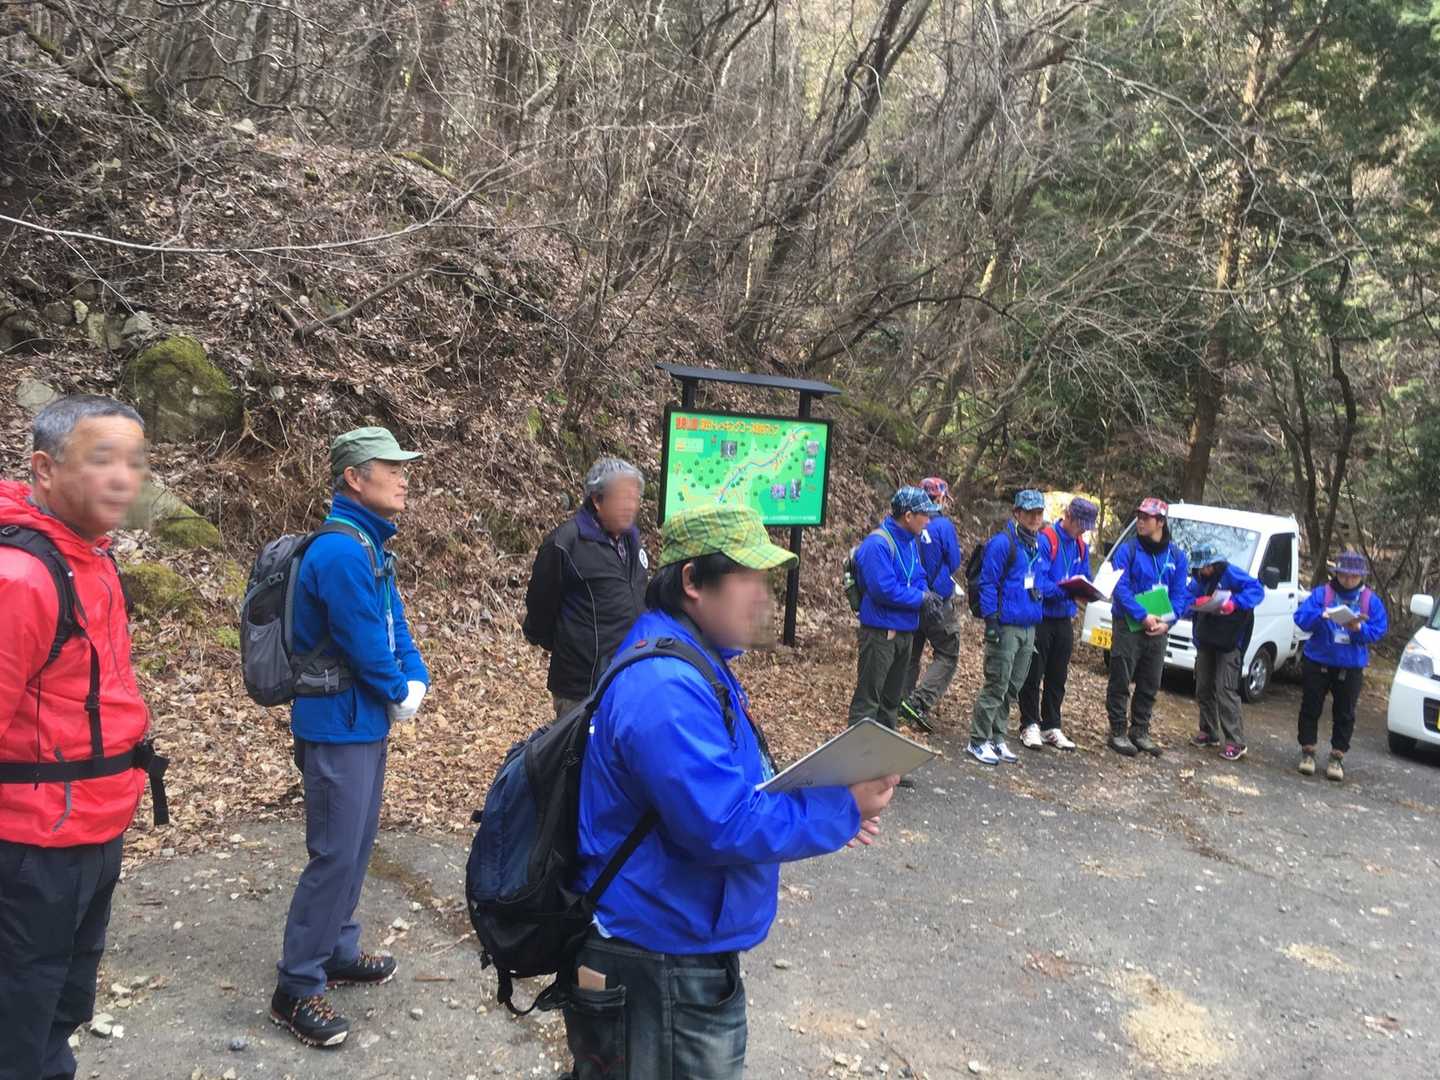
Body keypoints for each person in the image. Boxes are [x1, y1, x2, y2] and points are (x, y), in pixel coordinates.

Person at [563, 504, 900, 1080]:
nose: (763, 598)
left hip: (677, 942)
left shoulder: (693, 661)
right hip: (658, 957)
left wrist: (829, 802)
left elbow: (729, 786)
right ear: (693, 581)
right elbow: (721, 823)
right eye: (749, 578)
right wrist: (841, 809)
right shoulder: (666, 686)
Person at [0, 395, 166, 1080]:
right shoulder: (20, 577)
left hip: (94, 824)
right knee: (21, 1012)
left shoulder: (89, 558)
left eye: (135, 461)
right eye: (102, 460)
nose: (124, 478)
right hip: (34, 842)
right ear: (45, 469)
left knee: (64, 996)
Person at [271, 428, 431, 1048]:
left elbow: (394, 625)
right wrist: (396, 688)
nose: (403, 477)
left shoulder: (369, 544)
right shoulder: (341, 552)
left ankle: (336, 949)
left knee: (356, 845)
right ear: (354, 479)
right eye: (390, 467)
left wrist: (413, 677)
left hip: (361, 721)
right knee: (335, 852)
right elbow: (365, 640)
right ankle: (296, 985)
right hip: (337, 726)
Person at [524, 457, 649, 718]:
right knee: (580, 745)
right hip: (582, 686)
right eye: (622, 498)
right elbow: (540, 610)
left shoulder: (632, 540)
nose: (631, 506)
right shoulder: (565, 543)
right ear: (597, 500)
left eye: (635, 498)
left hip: (630, 678)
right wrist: (573, 646)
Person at [970, 489, 1058, 766]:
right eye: (1029, 513)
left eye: (1038, 513)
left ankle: (997, 737)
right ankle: (978, 740)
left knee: (1012, 687)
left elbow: (1040, 581)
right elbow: (988, 583)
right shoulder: (1002, 543)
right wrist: (991, 621)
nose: (1034, 518)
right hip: (1006, 625)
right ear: (1017, 513)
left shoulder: (1039, 544)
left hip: (1029, 625)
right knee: (996, 683)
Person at [848, 487, 941, 733]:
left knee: (891, 702)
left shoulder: (910, 542)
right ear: (908, 516)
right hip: (880, 633)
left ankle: (882, 753)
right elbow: (883, 589)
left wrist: (928, 596)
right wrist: (920, 598)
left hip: (905, 632)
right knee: (868, 700)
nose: (928, 520)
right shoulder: (877, 544)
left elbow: (918, 575)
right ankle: (858, 753)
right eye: (924, 514)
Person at [1105, 497, 1191, 758]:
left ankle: (1140, 730)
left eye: (1146, 518)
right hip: (1129, 624)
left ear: (1160, 522)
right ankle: (1117, 731)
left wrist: (1168, 622)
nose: (1140, 522)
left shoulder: (1177, 556)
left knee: (1150, 681)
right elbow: (1120, 587)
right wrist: (1142, 615)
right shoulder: (1128, 550)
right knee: (1121, 677)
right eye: (1139, 517)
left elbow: (1180, 595)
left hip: (1158, 628)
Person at [1292, 551, 1388, 782]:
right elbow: (1301, 618)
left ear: (1361, 576)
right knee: (1310, 707)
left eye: (1353, 576)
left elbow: (1378, 629)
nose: (1348, 580)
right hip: (1319, 660)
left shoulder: (1370, 600)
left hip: (1350, 664)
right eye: (1344, 575)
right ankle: (1308, 751)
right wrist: (1321, 615)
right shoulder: (1322, 594)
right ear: (1337, 573)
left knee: (1345, 713)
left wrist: (1359, 629)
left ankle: (1337, 756)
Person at [1018, 496, 1098, 751]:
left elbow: (1085, 575)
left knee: (1058, 675)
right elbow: (1038, 583)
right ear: (1069, 516)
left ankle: (1051, 724)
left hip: (1064, 617)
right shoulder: (1046, 540)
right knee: (1034, 672)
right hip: (1042, 616)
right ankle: (1029, 723)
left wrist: (1089, 590)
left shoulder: (1081, 546)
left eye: (1087, 527)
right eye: (1080, 525)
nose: (1083, 531)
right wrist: (1066, 591)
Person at [1186, 544, 1265, 761]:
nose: (1202, 571)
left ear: (1214, 564)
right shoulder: (1199, 580)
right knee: (1203, 686)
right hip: (1206, 638)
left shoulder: (1231, 573)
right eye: (1199, 568)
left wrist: (1234, 603)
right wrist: (1196, 602)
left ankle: (1235, 741)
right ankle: (1208, 730)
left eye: (1205, 567)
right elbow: (1186, 597)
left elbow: (1257, 590)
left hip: (1230, 641)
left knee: (1225, 689)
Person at [899, 477, 963, 734]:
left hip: (911, 597)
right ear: (940, 498)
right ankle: (919, 701)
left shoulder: (906, 523)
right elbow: (955, 561)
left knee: (911, 652)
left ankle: (900, 699)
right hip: (937, 601)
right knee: (948, 652)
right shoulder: (942, 525)